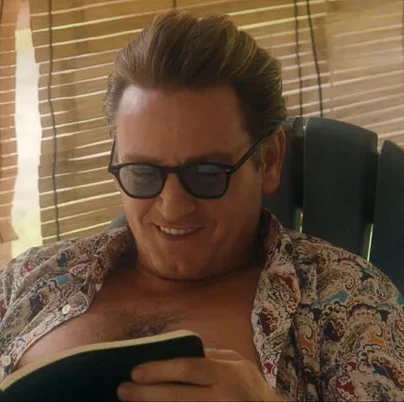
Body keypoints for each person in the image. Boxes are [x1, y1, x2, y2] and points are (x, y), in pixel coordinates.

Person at [1, 10, 404, 401]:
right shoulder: (28, 280)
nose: (173, 207)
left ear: (269, 160)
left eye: (207, 173)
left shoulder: (351, 303)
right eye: (142, 172)